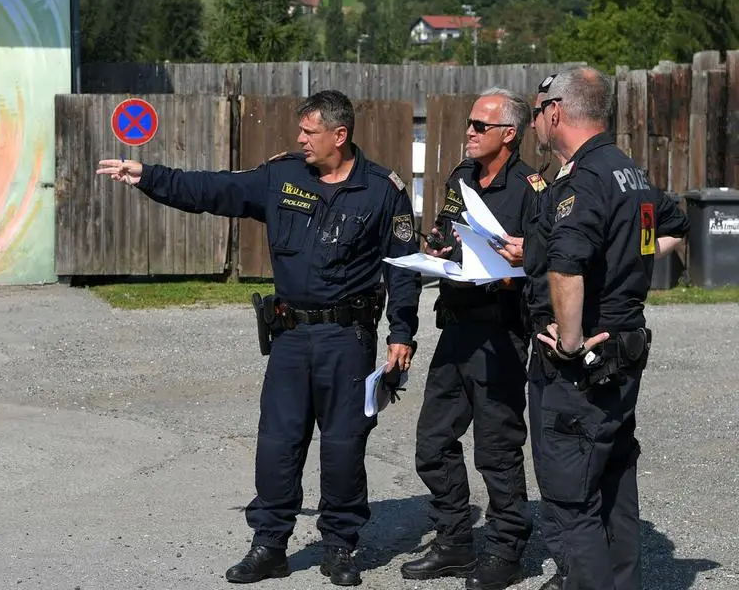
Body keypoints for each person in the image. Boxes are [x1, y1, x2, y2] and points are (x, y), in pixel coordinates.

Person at [97, 90, 422, 586]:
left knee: (343, 445)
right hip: (291, 336)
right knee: (278, 443)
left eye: (308, 132)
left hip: (347, 338)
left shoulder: (383, 190)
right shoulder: (282, 176)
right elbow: (214, 190)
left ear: (340, 135)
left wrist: (402, 332)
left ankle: (339, 548)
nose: (299, 140)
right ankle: (269, 544)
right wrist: (149, 177)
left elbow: (403, 267)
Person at [505, 67, 689, 590]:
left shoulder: (584, 180)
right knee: (613, 484)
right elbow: (669, 227)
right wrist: (632, 260)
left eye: (537, 113)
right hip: (623, 354)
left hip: (582, 368)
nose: (535, 123)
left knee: (573, 500)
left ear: (556, 111)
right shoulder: (626, 171)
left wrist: (568, 344)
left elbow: (566, 265)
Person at [400, 88, 544, 590]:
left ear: (509, 133)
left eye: (479, 126)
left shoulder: (531, 188)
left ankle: (506, 550)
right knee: (432, 442)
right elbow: (447, 226)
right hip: (457, 324)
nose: (469, 132)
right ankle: (456, 541)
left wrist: (511, 269)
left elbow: (544, 263)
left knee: (497, 450)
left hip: (501, 331)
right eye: (468, 124)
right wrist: (438, 245)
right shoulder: (461, 177)